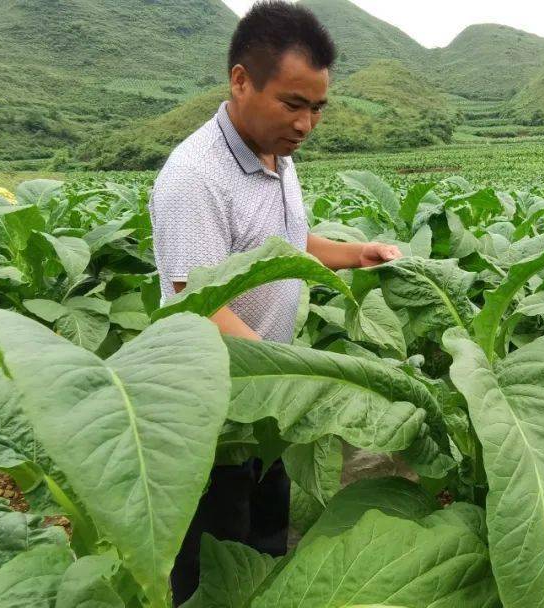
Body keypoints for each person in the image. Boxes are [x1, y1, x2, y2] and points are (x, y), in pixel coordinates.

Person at [147, 2, 402, 604]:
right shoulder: (194, 178)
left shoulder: (277, 157)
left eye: (317, 107)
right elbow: (198, 305)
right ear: (241, 80)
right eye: (293, 103)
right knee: (213, 570)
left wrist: (354, 252)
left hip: (268, 401)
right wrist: (293, 383)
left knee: (265, 547)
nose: (306, 123)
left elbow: (287, 244)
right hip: (214, 415)